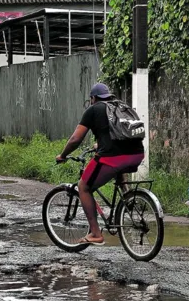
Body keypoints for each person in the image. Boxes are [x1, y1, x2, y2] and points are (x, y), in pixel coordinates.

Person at [55, 83, 145, 246]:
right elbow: (119, 133)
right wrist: (100, 144)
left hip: (113, 158)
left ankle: (96, 233)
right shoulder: (121, 106)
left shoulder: (93, 110)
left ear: (93, 98)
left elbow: (76, 139)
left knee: (83, 186)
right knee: (119, 167)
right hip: (137, 155)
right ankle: (128, 196)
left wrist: (63, 155)